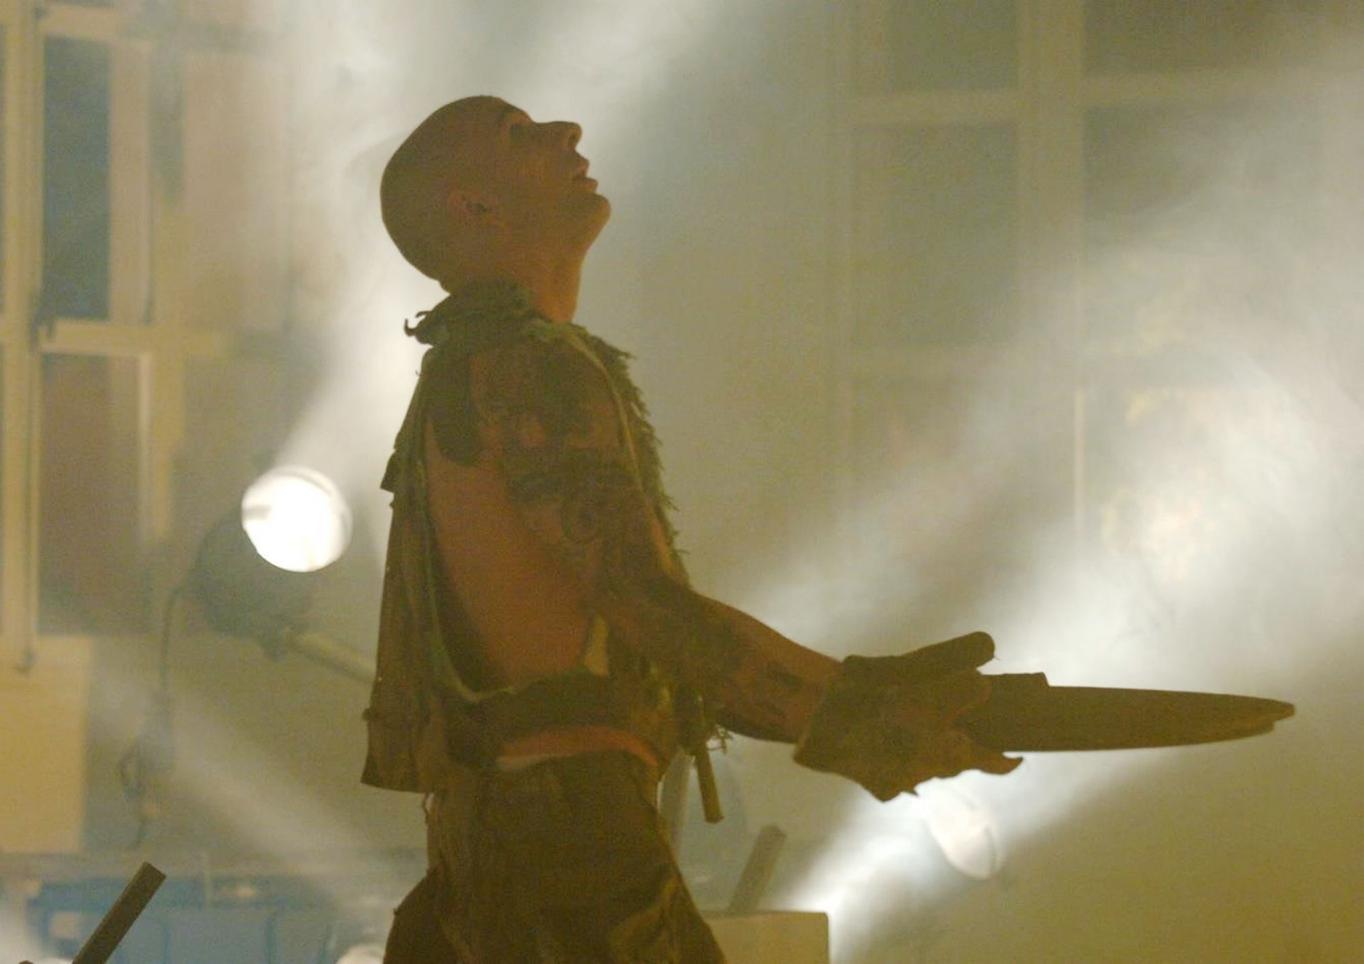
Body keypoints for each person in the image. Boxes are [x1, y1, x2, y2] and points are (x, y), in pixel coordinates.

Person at [366, 95, 1020, 962]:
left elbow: (631, 638)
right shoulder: (528, 365)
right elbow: (645, 605)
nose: (567, 133)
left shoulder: (480, 365)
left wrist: (856, 689)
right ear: (473, 205)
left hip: (514, 848)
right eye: (518, 135)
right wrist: (855, 713)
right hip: (571, 848)